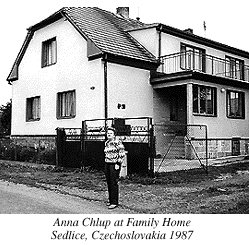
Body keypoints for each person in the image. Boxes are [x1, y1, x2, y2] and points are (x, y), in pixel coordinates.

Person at [104, 127, 126, 209]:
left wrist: (118, 163)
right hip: (107, 163)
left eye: (110, 133)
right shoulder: (107, 143)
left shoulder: (117, 142)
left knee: (113, 182)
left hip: (114, 164)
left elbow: (122, 153)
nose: (109, 134)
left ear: (114, 135)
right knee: (109, 182)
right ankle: (110, 200)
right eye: (108, 133)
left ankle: (114, 202)